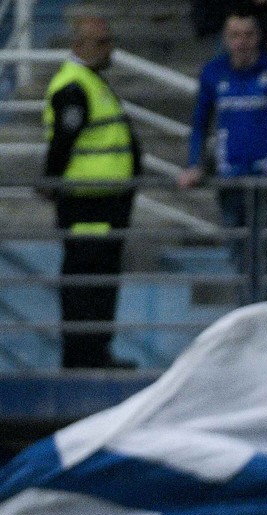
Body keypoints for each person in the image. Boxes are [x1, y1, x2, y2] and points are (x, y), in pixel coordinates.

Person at [181, 9, 267, 297]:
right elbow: (199, 125)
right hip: (230, 180)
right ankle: (246, 321)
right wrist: (193, 164)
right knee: (239, 256)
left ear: (258, 37)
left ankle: (265, 325)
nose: (241, 41)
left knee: (266, 256)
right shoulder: (213, 73)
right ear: (225, 38)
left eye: (248, 34)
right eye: (234, 35)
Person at [43, 12, 137, 369]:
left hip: (105, 202)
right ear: (79, 46)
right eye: (101, 42)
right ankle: (83, 356)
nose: (108, 47)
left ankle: (96, 353)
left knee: (100, 280)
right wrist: (51, 181)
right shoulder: (74, 85)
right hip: (87, 204)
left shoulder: (91, 81)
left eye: (109, 40)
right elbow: (64, 141)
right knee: (87, 282)